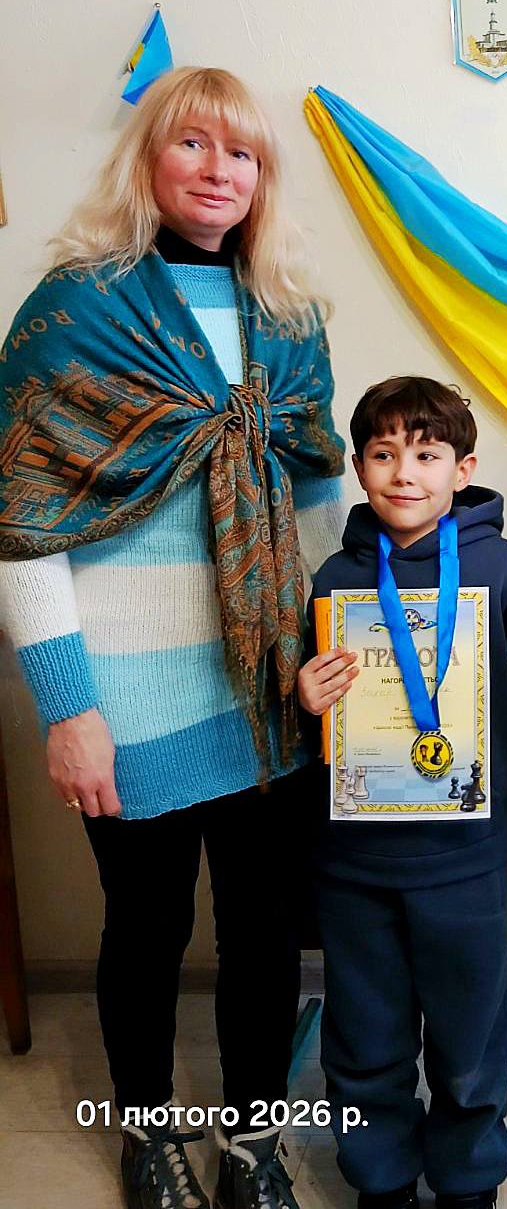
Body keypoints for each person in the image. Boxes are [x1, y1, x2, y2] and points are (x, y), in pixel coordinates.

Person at [0, 68, 347, 1209]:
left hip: (270, 690)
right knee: (145, 931)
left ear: (262, 179)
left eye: (242, 153)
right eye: (192, 143)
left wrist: (331, 661)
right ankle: (146, 1135)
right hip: (127, 699)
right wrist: (69, 711)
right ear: (147, 159)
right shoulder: (74, 310)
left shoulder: (288, 319)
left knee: (264, 933)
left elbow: (315, 507)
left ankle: (255, 1140)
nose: (217, 170)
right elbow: (23, 531)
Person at [299, 376, 507, 1209]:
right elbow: (313, 722)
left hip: (464, 859)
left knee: (472, 1039)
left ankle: (468, 1182)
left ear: (463, 469)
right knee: (363, 1035)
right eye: (383, 455)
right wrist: (302, 696)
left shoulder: (501, 568)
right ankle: (380, 1181)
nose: (404, 473)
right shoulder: (334, 577)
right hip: (356, 862)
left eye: (426, 454)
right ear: (359, 468)